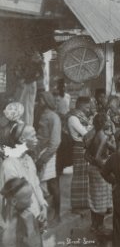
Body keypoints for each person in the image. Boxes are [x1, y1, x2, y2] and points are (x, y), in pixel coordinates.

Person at [0, 123, 48, 234]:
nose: (37, 139)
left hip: (35, 215)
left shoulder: (28, 159)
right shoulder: (9, 165)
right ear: (22, 139)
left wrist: (43, 207)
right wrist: (33, 217)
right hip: (22, 220)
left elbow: (36, 185)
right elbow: (17, 200)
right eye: (33, 136)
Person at [35, 92, 61, 223]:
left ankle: (57, 214)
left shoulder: (54, 117)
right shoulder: (42, 114)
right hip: (40, 152)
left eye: (40, 99)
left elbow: (55, 142)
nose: (39, 101)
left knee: (53, 183)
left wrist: (43, 159)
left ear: (46, 101)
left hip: (49, 153)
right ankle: (46, 212)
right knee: (41, 183)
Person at [85, 113, 113, 234]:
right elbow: (97, 158)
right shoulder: (103, 137)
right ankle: (100, 226)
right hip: (99, 169)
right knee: (101, 199)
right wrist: (105, 168)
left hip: (91, 169)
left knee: (94, 197)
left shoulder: (90, 135)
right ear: (103, 124)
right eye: (107, 121)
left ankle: (93, 224)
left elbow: (86, 155)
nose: (108, 123)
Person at [0, 177, 43, 247]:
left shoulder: (29, 217)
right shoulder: (27, 217)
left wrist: (34, 227)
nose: (31, 202)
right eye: (28, 198)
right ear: (14, 201)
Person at [67, 96, 92, 211]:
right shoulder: (73, 118)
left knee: (85, 177)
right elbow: (86, 133)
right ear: (80, 105)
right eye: (87, 107)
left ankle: (84, 203)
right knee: (79, 177)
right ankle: (76, 204)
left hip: (84, 147)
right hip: (79, 147)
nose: (88, 109)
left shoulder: (81, 117)